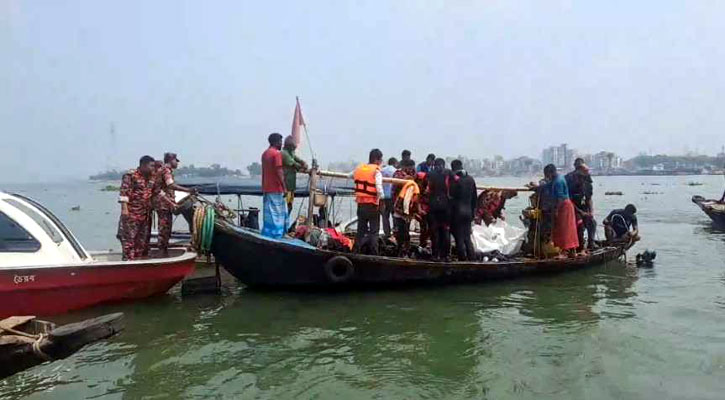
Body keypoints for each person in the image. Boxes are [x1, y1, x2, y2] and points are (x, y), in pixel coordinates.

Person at [152, 152, 196, 256]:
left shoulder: (163, 170)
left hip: (164, 202)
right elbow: (170, 185)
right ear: (171, 160)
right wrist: (188, 190)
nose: (177, 163)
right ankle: (162, 251)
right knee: (165, 227)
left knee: (165, 226)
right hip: (163, 203)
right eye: (176, 161)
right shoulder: (166, 170)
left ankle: (163, 249)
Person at [118, 156, 156, 260]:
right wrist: (124, 209)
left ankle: (138, 263)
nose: (153, 168)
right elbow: (124, 193)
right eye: (151, 166)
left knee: (142, 242)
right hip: (132, 214)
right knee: (129, 242)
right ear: (143, 165)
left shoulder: (151, 177)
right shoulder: (130, 175)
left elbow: (156, 193)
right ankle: (127, 264)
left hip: (145, 215)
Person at [351, 149, 384, 255]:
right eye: (380, 160)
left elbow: (349, 175)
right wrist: (381, 199)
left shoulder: (359, 169)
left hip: (361, 204)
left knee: (361, 229)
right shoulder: (376, 171)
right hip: (372, 205)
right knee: (374, 231)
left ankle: (356, 251)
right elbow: (379, 189)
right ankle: (374, 254)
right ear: (376, 159)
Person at [544, 164, 579, 257]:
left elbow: (560, 198)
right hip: (566, 205)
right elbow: (548, 185)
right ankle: (572, 251)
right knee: (569, 228)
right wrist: (537, 187)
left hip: (564, 206)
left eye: (547, 175)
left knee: (564, 229)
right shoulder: (557, 179)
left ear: (551, 173)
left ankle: (565, 251)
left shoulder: (558, 181)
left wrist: (556, 210)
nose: (546, 177)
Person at [261, 133, 289, 238]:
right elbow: (279, 171)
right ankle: (277, 235)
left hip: (267, 188)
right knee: (278, 214)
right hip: (276, 188)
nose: (281, 144)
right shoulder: (276, 154)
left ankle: (268, 234)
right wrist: (284, 187)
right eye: (280, 142)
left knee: (269, 214)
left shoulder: (265, 154)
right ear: (276, 142)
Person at [565, 158, 596, 250]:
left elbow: (589, 198)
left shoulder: (587, 179)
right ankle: (579, 247)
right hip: (572, 207)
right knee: (580, 225)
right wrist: (580, 212)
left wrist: (591, 211)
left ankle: (591, 243)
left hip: (584, 207)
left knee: (592, 222)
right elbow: (568, 199)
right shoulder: (569, 179)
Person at [449, 160, 477, 261]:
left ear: (453, 168)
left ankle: (462, 259)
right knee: (467, 237)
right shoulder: (470, 179)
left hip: (457, 212)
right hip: (468, 212)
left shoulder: (454, 180)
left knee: (459, 238)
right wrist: (473, 212)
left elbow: (451, 196)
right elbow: (474, 198)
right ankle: (472, 258)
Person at [427, 158, 452, 260]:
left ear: (434, 165)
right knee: (445, 231)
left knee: (434, 231)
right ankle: (445, 255)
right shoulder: (449, 173)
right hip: (446, 206)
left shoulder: (430, 174)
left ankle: (435, 255)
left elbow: (427, 190)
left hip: (433, 206)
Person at [392, 159, 418, 256]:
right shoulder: (398, 174)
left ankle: (406, 249)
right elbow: (396, 185)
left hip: (408, 208)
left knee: (406, 230)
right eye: (410, 168)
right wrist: (408, 178)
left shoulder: (414, 174)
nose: (411, 169)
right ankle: (399, 248)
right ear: (405, 167)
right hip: (399, 206)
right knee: (399, 229)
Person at [281, 135, 308, 212]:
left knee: (290, 201)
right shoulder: (284, 153)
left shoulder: (291, 152)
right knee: (287, 201)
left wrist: (303, 162)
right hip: (286, 181)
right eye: (293, 147)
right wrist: (302, 167)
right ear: (289, 146)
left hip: (292, 181)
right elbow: (293, 163)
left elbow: (297, 159)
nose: (294, 149)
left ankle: (289, 210)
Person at [380, 157, 398, 238]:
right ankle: (395, 232)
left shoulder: (382, 170)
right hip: (392, 197)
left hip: (383, 197)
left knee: (385, 216)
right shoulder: (396, 171)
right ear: (395, 163)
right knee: (394, 215)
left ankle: (387, 233)